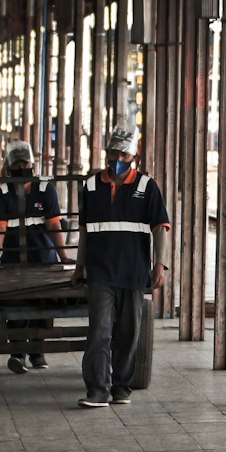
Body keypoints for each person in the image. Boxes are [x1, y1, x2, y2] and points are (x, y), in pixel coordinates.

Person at [74, 124, 169, 408]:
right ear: (106, 153)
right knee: (99, 333)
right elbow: (84, 231)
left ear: (134, 157)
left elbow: (160, 228)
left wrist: (159, 265)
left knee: (128, 333)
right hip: (100, 271)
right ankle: (97, 390)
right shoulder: (91, 186)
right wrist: (79, 266)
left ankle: (121, 387)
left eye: (123, 155)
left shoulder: (146, 187)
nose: (118, 160)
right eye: (113, 153)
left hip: (133, 272)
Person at [0, 141, 69, 373]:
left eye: (26, 163)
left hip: (44, 261)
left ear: (33, 165)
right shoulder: (2, 193)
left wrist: (64, 257)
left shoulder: (45, 189)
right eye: (18, 163)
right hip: (13, 262)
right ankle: (18, 354)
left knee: (42, 304)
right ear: (10, 168)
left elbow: (54, 226)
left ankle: (37, 353)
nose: (23, 167)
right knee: (17, 305)